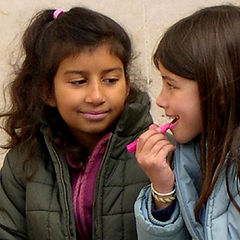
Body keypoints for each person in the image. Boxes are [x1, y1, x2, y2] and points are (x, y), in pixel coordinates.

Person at [0, 7, 152, 240]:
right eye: (79, 81)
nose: (96, 96)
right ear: (48, 92)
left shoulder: (156, 153)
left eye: (110, 80)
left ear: (127, 84)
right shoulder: (22, 163)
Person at [134, 4, 240, 240]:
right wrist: (163, 190)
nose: (160, 100)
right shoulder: (193, 153)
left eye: (171, 85)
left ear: (220, 90)